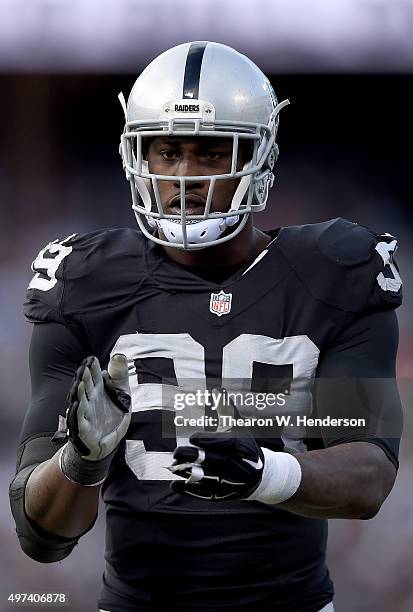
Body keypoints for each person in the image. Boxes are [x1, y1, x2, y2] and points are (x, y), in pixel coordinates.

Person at [10, 41, 403, 612]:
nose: (186, 175)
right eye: (167, 152)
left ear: (258, 155)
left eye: (212, 153)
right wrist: (80, 460)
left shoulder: (334, 273)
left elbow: (369, 475)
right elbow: (41, 535)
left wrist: (260, 473)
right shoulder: (83, 284)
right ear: (136, 157)